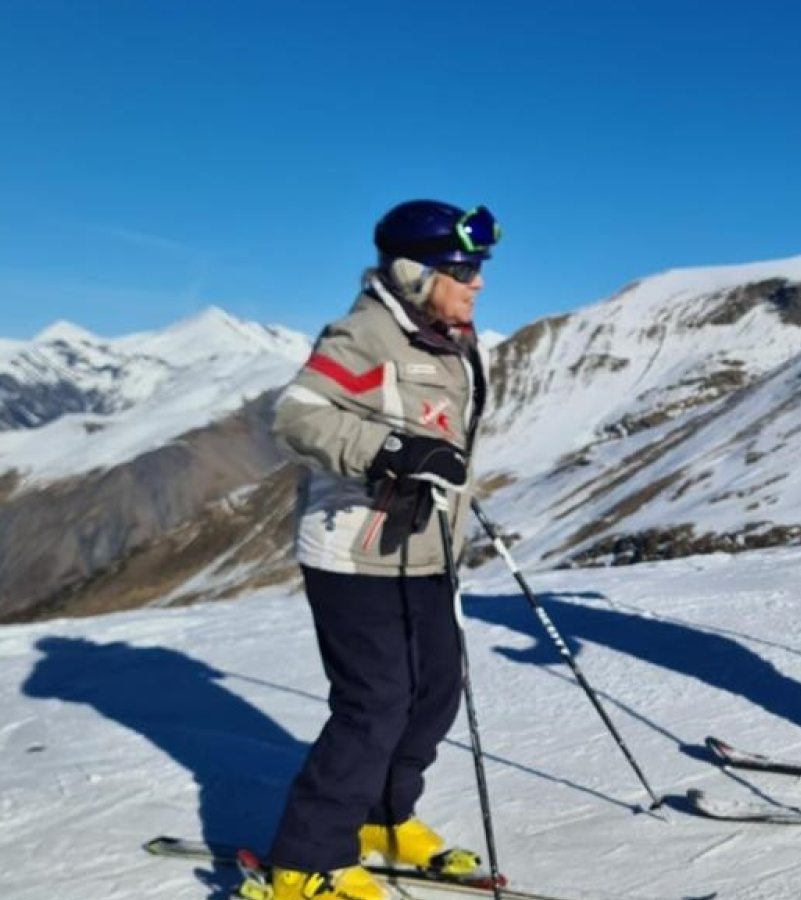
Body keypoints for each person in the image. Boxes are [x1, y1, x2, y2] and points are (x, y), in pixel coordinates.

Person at [255, 200, 498, 900]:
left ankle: (382, 819)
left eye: (478, 267)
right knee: (375, 702)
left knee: (434, 692)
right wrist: (389, 449)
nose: (477, 281)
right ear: (413, 273)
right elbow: (296, 417)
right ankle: (305, 860)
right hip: (353, 554)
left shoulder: (450, 336)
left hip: (425, 551)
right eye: (462, 268)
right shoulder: (365, 335)